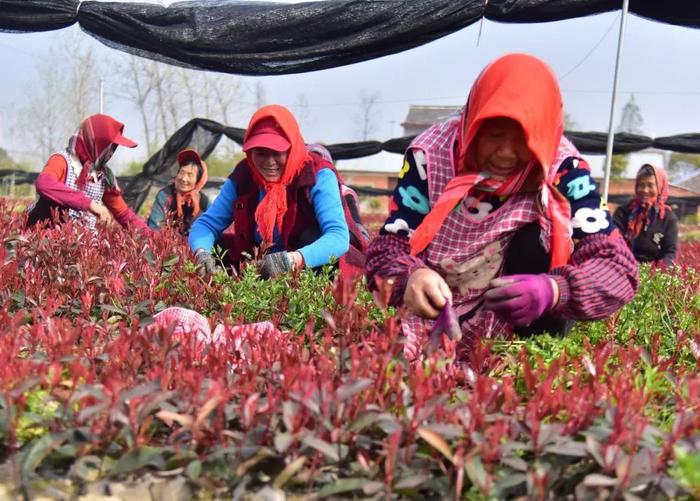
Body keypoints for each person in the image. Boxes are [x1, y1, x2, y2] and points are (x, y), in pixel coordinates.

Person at [365, 53, 639, 359]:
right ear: (470, 126)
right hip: (434, 296)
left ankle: (527, 354)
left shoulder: (563, 167)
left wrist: (555, 290)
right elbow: (388, 247)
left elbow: (619, 269)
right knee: (392, 365)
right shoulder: (430, 157)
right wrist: (409, 277)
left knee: (533, 243)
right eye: (493, 135)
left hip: (513, 302)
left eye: (524, 139)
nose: (506, 153)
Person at [189, 104, 365, 279]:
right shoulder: (244, 176)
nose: (269, 162)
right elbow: (206, 225)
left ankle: (313, 302)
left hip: (310, 265)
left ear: (292, 148)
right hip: (262, 266)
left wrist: (290, 260)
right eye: (261, 153)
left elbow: (338, 237)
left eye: (277, 152)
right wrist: (201, 253)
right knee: (215, 246)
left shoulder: (317, 174)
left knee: (312, 235)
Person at [27, 114, 148, 232]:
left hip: (84, 242)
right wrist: (89, 204)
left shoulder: (103, 175)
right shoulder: (63, 161)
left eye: (114, 147)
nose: (111, 153)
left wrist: (153, 237)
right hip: (51, 240)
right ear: (96, 143)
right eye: (109, 146)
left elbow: (123, 214)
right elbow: (44, 183)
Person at [613, 164, 678, 266]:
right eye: (641, 185)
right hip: (625, 266)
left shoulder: (668, 218)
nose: (645, 190)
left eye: (650, 185)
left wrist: (661, 272)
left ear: (660, 187)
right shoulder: (623, 212)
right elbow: (614, 242)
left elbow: (670, 251)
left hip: (654, 272)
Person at [148, 149, 210, 235]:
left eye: (190, 175)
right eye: (182, 172)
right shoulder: (165, 196)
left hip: (195, 246)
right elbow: (155, 227)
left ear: (198, 181)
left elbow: (210, 228)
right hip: (166, 245)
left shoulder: (204, 202)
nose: (184, 179)